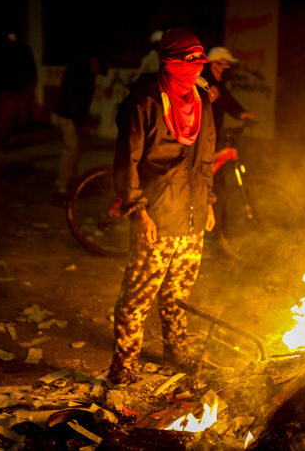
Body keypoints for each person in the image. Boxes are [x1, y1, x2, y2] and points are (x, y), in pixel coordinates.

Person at [107, 27, 216, 385]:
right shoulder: (143, 102)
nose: (197, 67)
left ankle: (176, 352)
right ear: (168, 62)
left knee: (177, 296)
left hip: (192, 216)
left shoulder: (202, 99)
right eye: (189, 60)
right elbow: (127, 162)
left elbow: (205, 158)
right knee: (135, 302)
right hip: (157, 216)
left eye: (200, 60)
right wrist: (137, 210)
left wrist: (208, 202)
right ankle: (123, 370)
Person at [51, 52, 103, 205]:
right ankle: (61, 187)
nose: (97, 67)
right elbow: (71, 101)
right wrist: (82, 123)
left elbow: (82, 101)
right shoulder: (76, 74)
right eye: (95, 64)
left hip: (74, 115)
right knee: (72, 149)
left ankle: (70, 183)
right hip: (68, 116)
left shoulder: (87, 75)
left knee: (77, 149)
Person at [199, 46, 255, 144]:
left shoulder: (218, 84)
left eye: (229, 65)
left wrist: (241, 113)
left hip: (211, 134)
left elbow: (228, 100)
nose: (227, 68)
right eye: (225, 64)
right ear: (213, 64)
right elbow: (186, 108)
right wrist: (206, 100)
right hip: (198, 137)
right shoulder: (200, 81)